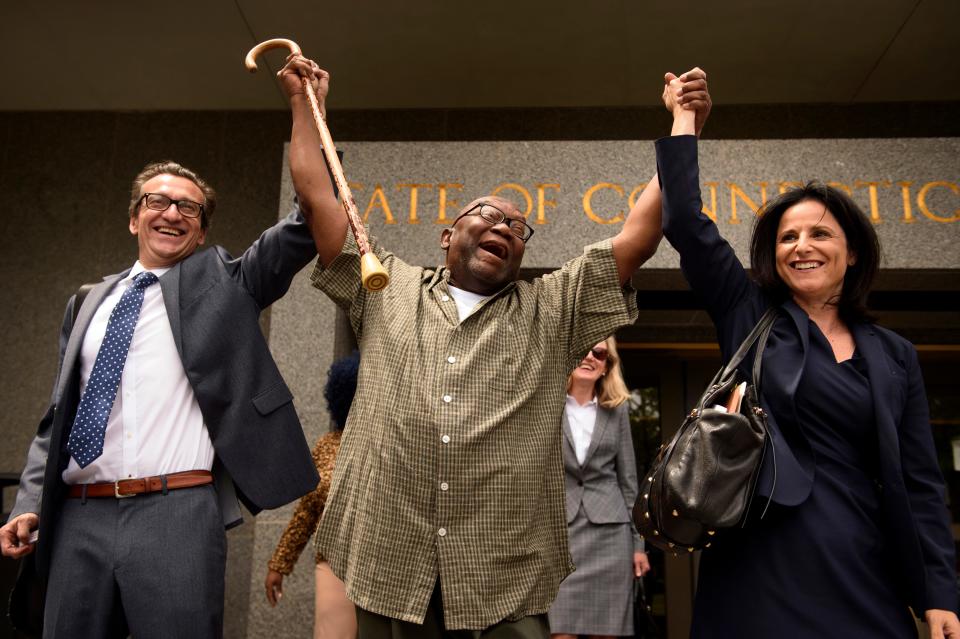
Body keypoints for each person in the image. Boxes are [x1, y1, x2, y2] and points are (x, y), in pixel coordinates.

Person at [284, 54, 711, 636]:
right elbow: (317, 198)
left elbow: (641, 230)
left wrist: (684, 124)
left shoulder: (553, 308)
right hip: (389, 565)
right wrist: (306, 107)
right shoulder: (385, 285)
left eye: (518, 227)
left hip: (502, 580)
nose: (505, 227)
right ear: (446, 236)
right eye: (486, 214)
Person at [0, 57, 338, 638]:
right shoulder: (87, 301)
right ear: (135, 219)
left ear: (202, 232)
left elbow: (308, 218)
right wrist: (29, 500)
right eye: (158, 201)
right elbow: (58, 418)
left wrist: (308, 111)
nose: (172, 212)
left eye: (189, 208)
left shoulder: (228, 285)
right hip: (77, 515)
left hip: (176, 512)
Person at [656, 70, 959, 638]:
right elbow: (686, 225)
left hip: (864, 565)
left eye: (820, 234)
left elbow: (920, 481)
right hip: (759, 565)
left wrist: (939, 592)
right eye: (788, 237)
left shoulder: (895, 355)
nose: (802, 247)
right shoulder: (749, 312)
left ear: (850, 251)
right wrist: (684, 120)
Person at [549, 336, 649, 639]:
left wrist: (639, 546)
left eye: (599, 353)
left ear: (607, 366)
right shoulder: (548, 407)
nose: (589, 357)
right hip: (561, 538)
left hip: (610, 539)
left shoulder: (616, 410)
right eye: (582, 350)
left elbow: (628, 481)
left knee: (607, 632)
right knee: (560, 631)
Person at [264, 351, 360, 639]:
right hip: (333, 563)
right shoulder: (326, 445)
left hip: (387, 565)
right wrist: (279, 564)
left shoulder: (397, 443)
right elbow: (305, 513)